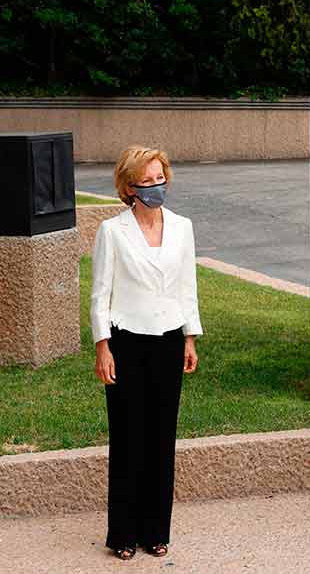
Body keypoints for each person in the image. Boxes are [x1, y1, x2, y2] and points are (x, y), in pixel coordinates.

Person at [90, 146, 202, 560]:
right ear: (129, 188)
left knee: (161, 437)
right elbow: (100, 293)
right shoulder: (112, 231)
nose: (156, 187)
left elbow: (186, 285)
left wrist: (190, 337)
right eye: (147, 181)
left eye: (160, 179)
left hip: (169, 340)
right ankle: (122, 533)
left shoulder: (182, 227)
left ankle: (156, 530)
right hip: (127, 341)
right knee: (128, 437)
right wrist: (103, 346)